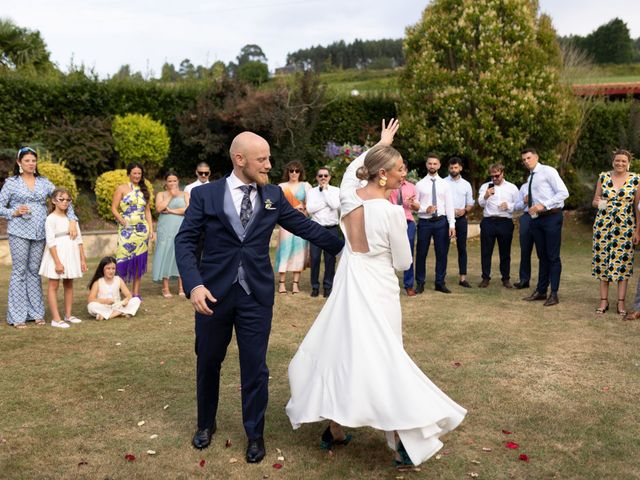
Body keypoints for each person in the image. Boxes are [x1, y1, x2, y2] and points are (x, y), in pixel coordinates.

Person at [286, 119, 466, 468]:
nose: (404, 174)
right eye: (399, 169)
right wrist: (381, 147)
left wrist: (380, 143)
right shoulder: (392, 212)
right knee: (385, 358)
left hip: (349, 283)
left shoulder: (349, 197)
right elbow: (402, 262)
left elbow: (354, 171)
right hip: (379, 287)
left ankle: (335, 428)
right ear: (383, 174)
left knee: (343, 350)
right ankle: (403, 442)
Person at [174, 131, 344, 463]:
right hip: (212, 296)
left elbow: (306, 227)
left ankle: (255, 434)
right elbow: (184, 242)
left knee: (255, 367)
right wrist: (194, 285)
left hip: (256, 296)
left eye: (268, 158)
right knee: (208, 362)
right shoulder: (205, 195)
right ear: (240, 159)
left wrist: (351, 250)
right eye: (262, 159)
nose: (269, 164)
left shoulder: (274, 196)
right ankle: (205, 424)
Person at [0, 147, 78, 329]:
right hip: (19, 230)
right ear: (19, 163)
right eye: (26, 160)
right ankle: (18, 315)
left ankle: (36, 313)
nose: (31, 163)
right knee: (19, 272)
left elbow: (63, 198)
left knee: (34, 272)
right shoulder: (11, 183)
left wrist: (72, 220)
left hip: (40, 233)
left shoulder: (44, 182)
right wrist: (14, 211)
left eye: (33, 160)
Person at [591, 150, 640, 315]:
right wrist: (599, 204)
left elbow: (637, 208)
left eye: (624, 161)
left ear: (628, 163)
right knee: (603, 262)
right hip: (603, 226)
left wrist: (637, 230)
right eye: (617, 161)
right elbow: (595, 200)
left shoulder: (636, 180)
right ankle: (603, 302)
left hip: (625, 228)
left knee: (623, 265)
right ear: (613, 162)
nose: (620, 163)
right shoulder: (603, 177)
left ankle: (621, 304)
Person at [521, 148, 570, 306]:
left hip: (551, 218)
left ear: (536, 157)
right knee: (542, 256)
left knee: (553, 257)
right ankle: (541, 291)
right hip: (536, 220)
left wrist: (544, 205)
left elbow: (563, 193)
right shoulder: (530, 178)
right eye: (524, 160)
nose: (526, 161)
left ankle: (554, 294)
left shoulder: (548, 171)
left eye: (529, 158)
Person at [38, 188, 88, 328]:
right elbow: (51, 241)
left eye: (67, 200)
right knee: (53, 284)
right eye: (61, 199)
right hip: (57, 254)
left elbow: (79, 239)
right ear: (54, 201)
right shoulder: (50, 219)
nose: (65, 202)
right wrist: (57, 262)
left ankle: (68, 315)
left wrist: (82, 259)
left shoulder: (72, 219)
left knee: (69, 283)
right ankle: (56, 319)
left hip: (70, 252)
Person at [111, 162, 155, 299]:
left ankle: (136, 294)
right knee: (122, 260)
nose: (137, 175)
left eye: (139, 173)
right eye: (134, 173)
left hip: (142, 231)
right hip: (126, 230)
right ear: (129, 174)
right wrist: (122, 220)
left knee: (138, 262)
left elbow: (147, 212)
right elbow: (113, 208)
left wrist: (151, 230)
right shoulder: (121, 188)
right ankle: (121, 293)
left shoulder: (145, 190)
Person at [414, 154, 455, 294]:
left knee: (442, 253)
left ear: (439, 165)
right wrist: (425, 209)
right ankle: (420, 283)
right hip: (425, 223)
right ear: (426, 165)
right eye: (430, 163)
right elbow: (415, 206)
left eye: (435, 164)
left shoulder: (445, 184)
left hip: (441, 223)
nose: (432, 166)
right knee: (421, 253)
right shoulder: (419, 185)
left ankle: (440, 282)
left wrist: (452, 225)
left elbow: (449, 206)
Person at [477, 163, 519, 288]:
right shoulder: (485, 187)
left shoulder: (512, 188)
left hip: (505, 222)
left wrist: (509, 206)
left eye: (497, 176)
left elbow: (518, 206)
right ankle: (485, 278)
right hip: (488, 221)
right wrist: (486, 196)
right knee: (486, 251)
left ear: (502, 173)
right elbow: (480, 203)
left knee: (505, 252)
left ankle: (506, 279)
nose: (494, 179)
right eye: (492, 176)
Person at [274, 161, 312, 294]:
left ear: (300, 173)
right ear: (287, 172)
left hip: (301, 222)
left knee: (299, 252)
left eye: (297, 171)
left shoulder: (306, 186)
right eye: (291, 171)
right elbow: (277, 205)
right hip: (286, 223)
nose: (294, 173)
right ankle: (282, 283)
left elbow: (311, 204)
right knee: (284, 251)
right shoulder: (281, 186)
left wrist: (305, 210)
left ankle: (295, 284)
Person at [152, 171, 190, 297]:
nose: (172, 183)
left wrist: (172, 211)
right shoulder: (161, 194)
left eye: (174, 180)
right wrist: (170, 196)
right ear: (166, 183)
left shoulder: (185, 194)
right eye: (169, 181)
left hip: (180, 227)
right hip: (165, 228)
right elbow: (159, 209)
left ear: (178, 181)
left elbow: (188, 210)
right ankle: (165, 288)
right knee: (165, 253)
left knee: (179, 253)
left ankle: (181, 287)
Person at [306, 167, 340, 298]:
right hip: (316, 229)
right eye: (320, 176)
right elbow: (309, 209)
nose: (323, 178)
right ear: (316, 178)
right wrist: (326, 203)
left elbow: (335, 205)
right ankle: (314, 287)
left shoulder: (337, 190)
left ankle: (328, 287)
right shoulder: (312, 191)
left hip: (331, 228)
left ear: (329, 177)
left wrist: (325, 192)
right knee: (314, 258)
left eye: (326, 175)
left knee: (330, 259)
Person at [388, 161, 420, 296]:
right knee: (389, 252)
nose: (401, 173)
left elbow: (418, 207)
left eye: (403, 170)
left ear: (406, 171)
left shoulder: (412, 187)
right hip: (392, 221)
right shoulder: (388, 186)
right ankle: (389, 284)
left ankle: (409, 285)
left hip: (408, 221)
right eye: (398, 170)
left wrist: (412, 204)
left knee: (408, 252)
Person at [444, 157, 475, 288]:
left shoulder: (466, 184)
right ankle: (441, 277)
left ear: (460, 168)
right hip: (445, 220)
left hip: (461, 220)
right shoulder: (443, 182)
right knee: (443, 249)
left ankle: (463, 278)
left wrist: (465, 210)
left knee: (462, 248)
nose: (453, 170)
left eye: (456, 167)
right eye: (451, 168)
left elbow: (470, 203)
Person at [87, 256, 141, 320]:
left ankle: (108, 316)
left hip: (117, 306)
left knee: (136, 300)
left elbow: (129, 295)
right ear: (102, 269)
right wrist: (105, 301)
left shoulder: (118, 280)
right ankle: (120, 313)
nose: (111, 271)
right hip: (103, 306)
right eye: (108, 268)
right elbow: (90, 299)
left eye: (113, 268)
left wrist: (126, 300)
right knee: (91, 306)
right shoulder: (98, 282)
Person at [514, 182, 535, 289]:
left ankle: (545, 281)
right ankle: (524, 280)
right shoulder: (524, 187)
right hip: (527, 218)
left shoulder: (545, 185)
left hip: (541, 217)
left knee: (544, 252)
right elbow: (516, 206)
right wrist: (524, 201)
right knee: (525, 250)